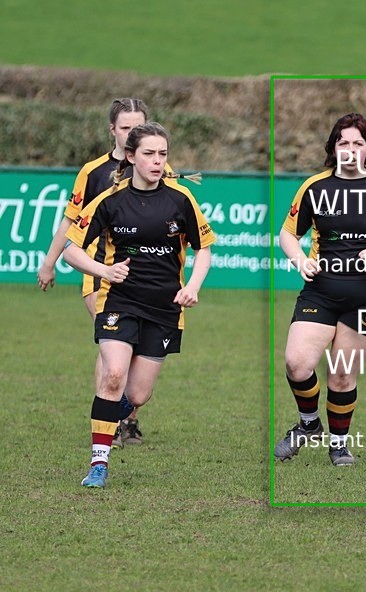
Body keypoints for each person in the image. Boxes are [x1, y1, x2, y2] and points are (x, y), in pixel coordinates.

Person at [64, 122, 215, 488]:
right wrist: (104, 270)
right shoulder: (110, 201)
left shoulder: (181, 199)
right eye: (149, 153)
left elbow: (204, 250)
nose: (157, 161)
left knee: (137, 394)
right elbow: (71, 250)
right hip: (119, 300)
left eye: (162, 154)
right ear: (130, 156)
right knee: (113, 375)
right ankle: (99, 462)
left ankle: (107, 420)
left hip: (165, 309)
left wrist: (192, 286)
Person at [273, 113, 366, 467]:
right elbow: (287, 234)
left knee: (342, 373)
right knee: (297, 363)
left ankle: (339, 445)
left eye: (358, 144)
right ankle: (309, 424)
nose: (350, 150)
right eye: (343, 143)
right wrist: (300, 260)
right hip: (321, 290)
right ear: (334, 149)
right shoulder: (315, 187)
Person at [38, 98, 152, 447]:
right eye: (125, 128)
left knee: (135, 350)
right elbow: (71, 222)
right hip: (99, 273)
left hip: (145, 277)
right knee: (113, 344)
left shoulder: (157, 166)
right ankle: (111, 425)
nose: (133, 134)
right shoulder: (93, 172)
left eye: (139, 127)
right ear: (112, 131)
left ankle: (128, 417)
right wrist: (49, 262)